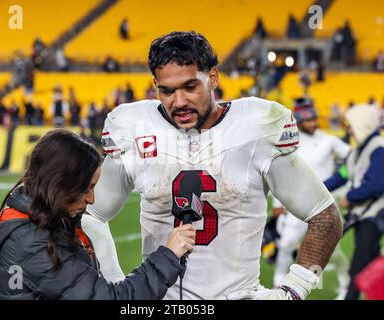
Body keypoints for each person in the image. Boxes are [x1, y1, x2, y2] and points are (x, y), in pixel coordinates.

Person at [85, 31, 343, 300]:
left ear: (213, 77)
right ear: (155, 85)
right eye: (167, 91)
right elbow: (91, 216)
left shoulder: (255, 128)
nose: (179, 101)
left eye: (190, 87)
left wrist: (294, 291)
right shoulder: (134, 127)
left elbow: (324, 216)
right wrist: (117, 284)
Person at [0, 129, 196, 300]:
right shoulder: (32, 241)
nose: (92, 199)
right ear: (60, 184)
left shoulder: (46, 221)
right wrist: (168, 255)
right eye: (85, 189)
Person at [271, 99, 351, 299]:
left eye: (315, 118)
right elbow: (276, 172)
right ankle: (278, 284)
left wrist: (343, 179)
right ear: (299, 120)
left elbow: (352, 158)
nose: (314, 122)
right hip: (296, 204)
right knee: (286, 244)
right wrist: (276, 203)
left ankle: (345, 284)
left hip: (324, 207)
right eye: (309, 119)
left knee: (333, 252)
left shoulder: (328, 139)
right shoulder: (291, 142)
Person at [324, 104, 384, 300]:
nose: (348, 130)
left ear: (362, 125)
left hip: (374, 216)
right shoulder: (358, 151)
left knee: (359, 265)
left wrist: (350, 197)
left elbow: (375, 185)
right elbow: (341, 176)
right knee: (371, 260)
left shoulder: (378, 151)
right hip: (363, 215)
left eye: (351, 125)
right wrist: (318, 189)